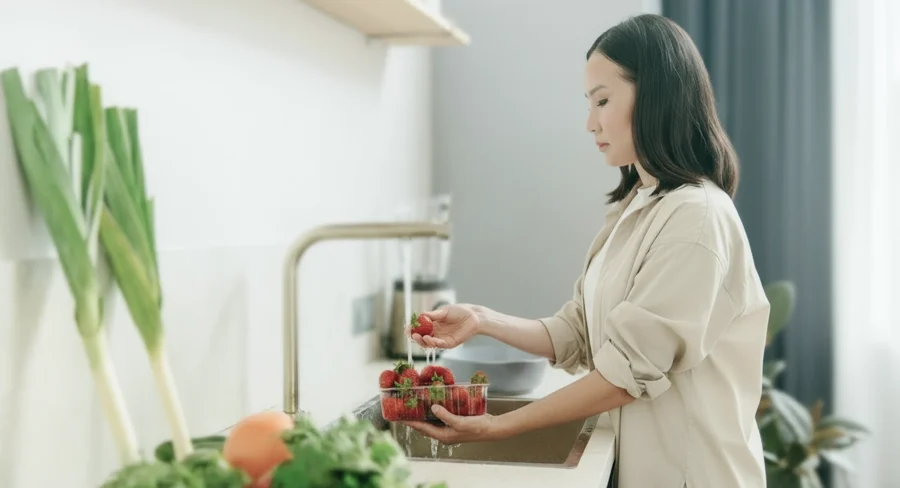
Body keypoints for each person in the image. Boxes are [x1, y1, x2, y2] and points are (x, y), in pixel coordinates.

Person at [403, 13, 770, 488]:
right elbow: (579, 330)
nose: (590, 122)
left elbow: (625, 373)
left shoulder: (696, 217)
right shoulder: (640, 206)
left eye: (602, 100)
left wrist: (498, 426)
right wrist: (482, 318)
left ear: (656, 96)